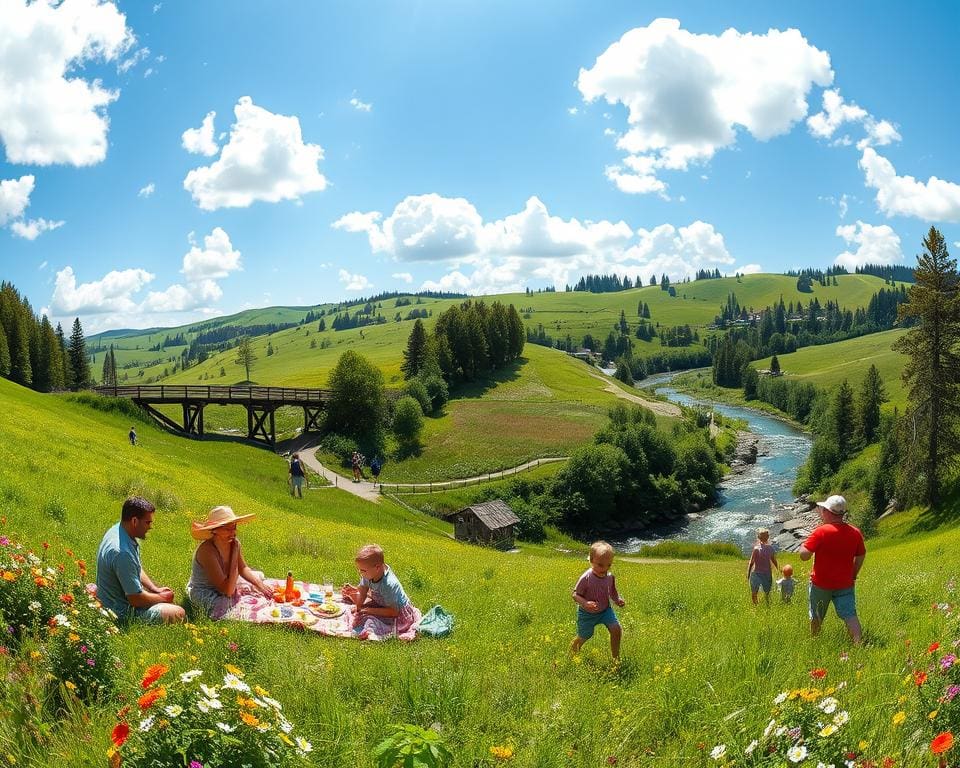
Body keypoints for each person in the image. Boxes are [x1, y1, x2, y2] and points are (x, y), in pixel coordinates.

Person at [95, 496, 185, 624]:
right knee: (178, 613)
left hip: (108, 600)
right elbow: (135, 599)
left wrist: (154, 589)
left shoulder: (119, 532)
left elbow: (135, 566)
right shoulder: (122, 553)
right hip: (119, 613)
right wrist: (161, 598)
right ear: (134, 521)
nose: (150, 527)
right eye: (147, 522)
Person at [798, 495, 866, 644]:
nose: (821, 511)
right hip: (845, 583)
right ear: (842, 513)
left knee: (816, 614)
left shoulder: (821, 532)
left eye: (823, 509)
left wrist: (804, 544)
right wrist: (853, 573)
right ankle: (858, 643)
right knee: (850, 615)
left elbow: (804, 556)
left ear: (828, 512)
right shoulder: (855, 532)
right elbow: (861, 554)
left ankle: (815, 641)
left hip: (821, 584)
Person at [187, 505, 274, 618]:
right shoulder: (207, 551)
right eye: (228, 529)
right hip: (207, 591)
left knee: (258, 577)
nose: (233, 532)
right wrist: (234, 554)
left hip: (227, 582)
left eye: (234, 527)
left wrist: (260, 585)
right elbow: (227, 590)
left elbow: (243, 568)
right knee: (229, 606)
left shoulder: (233, 542)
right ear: (215, 530)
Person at [342, 544, 421, 640]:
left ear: (377, 567)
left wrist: (368, 610)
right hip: (382, 603)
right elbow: (363, 590)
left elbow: (393, 612)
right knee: (355, 610)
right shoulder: (369, 574)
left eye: (363, 570)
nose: (360, 573)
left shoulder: (388, 584)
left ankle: (368, 631)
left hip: (397, 613)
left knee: (370, 620)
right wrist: (359, 606)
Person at [570, 541, 625, 660]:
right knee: (585, 635)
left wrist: (617, 600)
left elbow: (613, 592)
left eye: (608, 565)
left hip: (605, 611)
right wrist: (585, 603)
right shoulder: (586, 577)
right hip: (587, 613)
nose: (604, 569)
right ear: (591, 560)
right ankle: (572, 652)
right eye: (600, 565)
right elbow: (575, 594)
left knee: (616, 629)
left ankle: (616, 658)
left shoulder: (610, 577)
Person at [746, 528, 780, 605]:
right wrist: (779, 570)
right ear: (768, 537)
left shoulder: (756, 549)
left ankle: (756, 606)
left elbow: (751, 563)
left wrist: (748, 574)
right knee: (767, 593)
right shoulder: (770, 548)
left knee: (754, 593)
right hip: (767, 574)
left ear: (758, 537)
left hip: (756, 574)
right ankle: (767, 605)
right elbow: (774, 561)